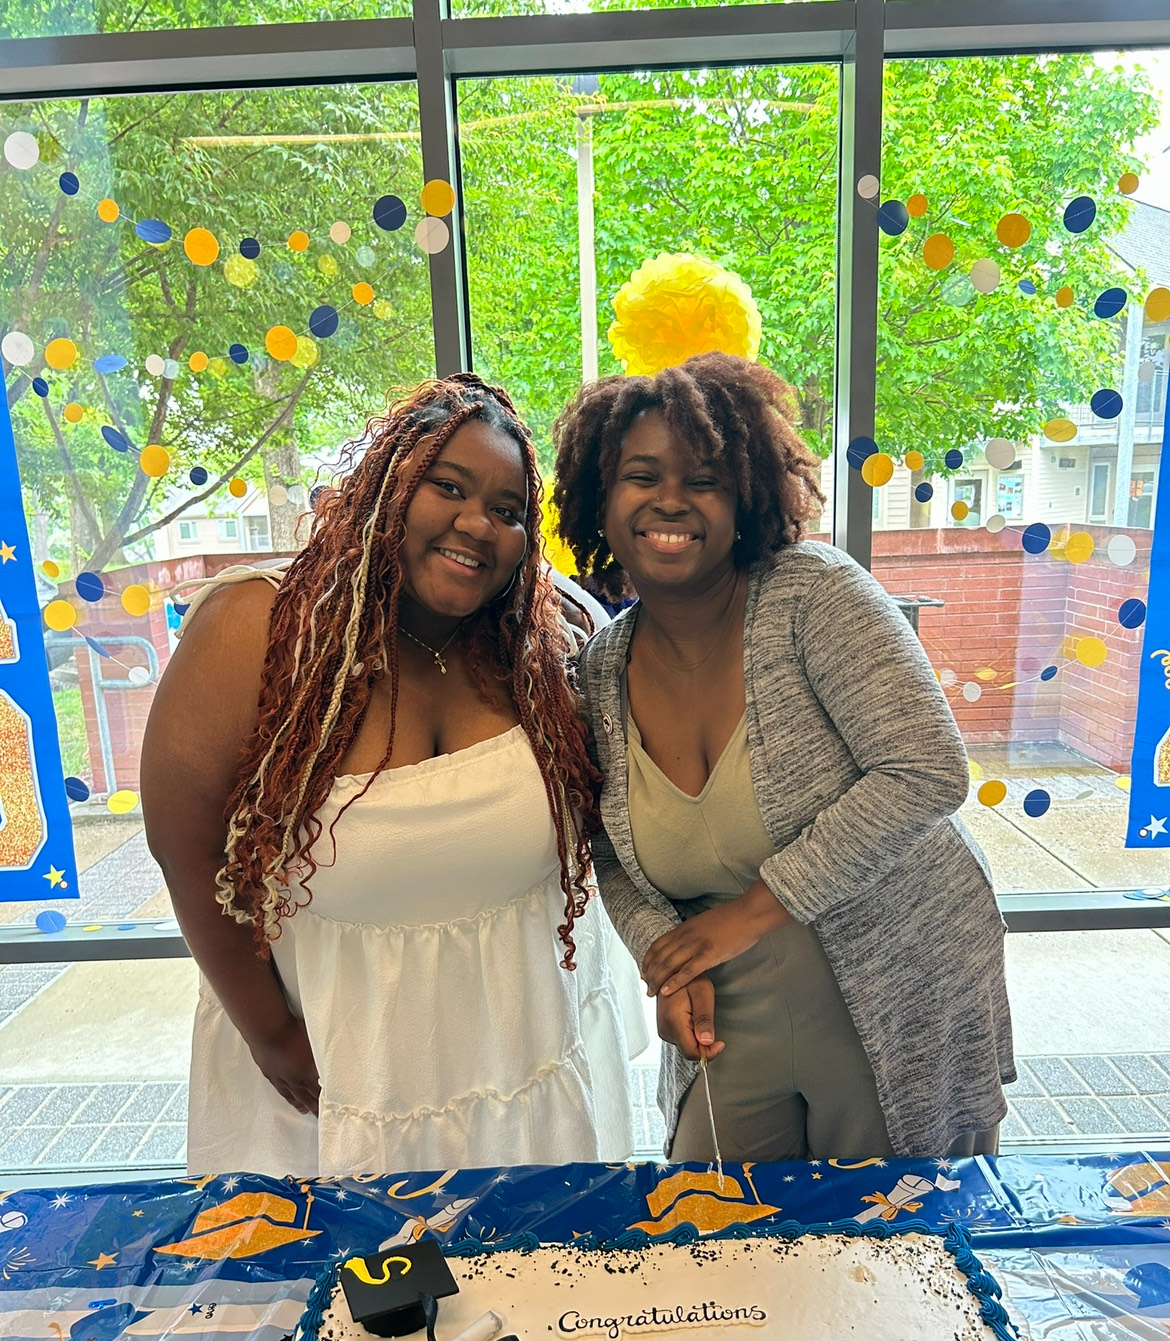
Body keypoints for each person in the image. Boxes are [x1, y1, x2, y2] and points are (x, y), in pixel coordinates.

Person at [142, 373, 645, 1178]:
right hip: (331, 1063)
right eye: (448, 486)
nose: (477, 524)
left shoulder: (544, 639)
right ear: (386, 485)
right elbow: (186, 849)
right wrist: (269, 1032)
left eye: (509, 511)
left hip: (518, 1057)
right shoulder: (258, 625)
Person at [552, 352, 1013, 1162]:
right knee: (710, 1221)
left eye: (704, 479)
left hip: (897, 983)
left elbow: (926, 769)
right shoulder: (598, 670)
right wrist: (667, 959)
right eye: (641, 476)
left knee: (897, 1229)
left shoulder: (812, 594)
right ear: (600, 499)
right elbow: (607, 850)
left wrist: (749, 914)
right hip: (729, 1014)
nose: (670, 499)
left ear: (745, 497)